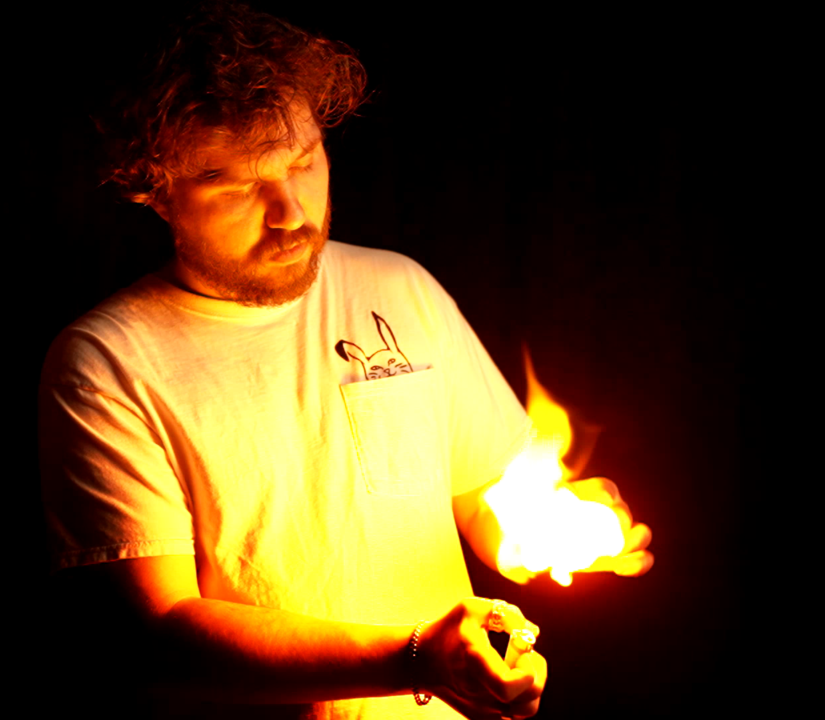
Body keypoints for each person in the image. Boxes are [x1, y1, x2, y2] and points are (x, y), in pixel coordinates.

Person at [38, 4, 651, 718]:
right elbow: (157, 634)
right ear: (154, 187)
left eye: (303, 162)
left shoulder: (400, 287)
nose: (291, 212)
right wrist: (415, 659)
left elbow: (489, 498)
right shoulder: (105, 363)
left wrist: (561, 527)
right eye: (235, 184)